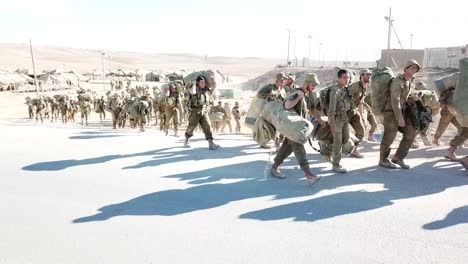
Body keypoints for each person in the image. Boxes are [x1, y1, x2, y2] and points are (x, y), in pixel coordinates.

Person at [270, 73, 323, 185]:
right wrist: (299, 96)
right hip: (292, 128)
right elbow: (287, 105)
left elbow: (313, 108)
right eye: (313, 84)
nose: (314, 87)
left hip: (299, 128)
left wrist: (319, 119)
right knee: (299, 150)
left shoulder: (310, 95)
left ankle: (274, 167)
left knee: (286, 148)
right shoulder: (296, 92)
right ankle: (309, 175)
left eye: (315, 85)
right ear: (307, 84)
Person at [379, 59, 420, 169]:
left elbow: (403, 97)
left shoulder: (409, 81)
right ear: (406, 68)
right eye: (412, 67)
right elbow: (395, 100)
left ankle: (398, 157)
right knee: (389, 137)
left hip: (402, 112)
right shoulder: (397, 81)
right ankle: (383, 160)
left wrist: (412, 97)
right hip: (391, 113)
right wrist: (399, 118)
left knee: (410, 133)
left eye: (415, 68)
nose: (414, 70)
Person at [327, 69, 353, 173]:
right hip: (336, 119)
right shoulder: (335, 90)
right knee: (338, 142)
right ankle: (336, 164)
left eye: (348, 77)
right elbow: (331, 110)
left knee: (345, 139)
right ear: (339, 78)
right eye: (344, 77)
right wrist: (332, 125)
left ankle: (326, 151)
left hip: (344, 118)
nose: (347, 80)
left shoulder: (344, 89)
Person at [184, 75, 220, 149]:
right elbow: (193, 92)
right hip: (195, 111)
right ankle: (186, 140)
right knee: (191, 126)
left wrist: (214, 85)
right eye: (202, 82)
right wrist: (194, 84)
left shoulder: (206, 89)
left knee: (207, 126)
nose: (203, 84)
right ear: (198, 83)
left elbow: (211, 93)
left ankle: (211, 143)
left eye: (204, 82)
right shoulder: (193, 88)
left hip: (204, 111)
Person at [257, 72, 288, 149]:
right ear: (277, 81)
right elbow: (259, 94)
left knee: (277, 127)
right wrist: (269, 94)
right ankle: (266, 143)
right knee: (267, 127)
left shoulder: (283, 90)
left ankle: (277, 143)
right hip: (268, 111)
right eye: (282, 80)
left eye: (284, 80)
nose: (283, 82)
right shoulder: (270, 87)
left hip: (277, 111)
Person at [346, 69, 372, 158]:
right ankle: (326, 147)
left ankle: (354, 150)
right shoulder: (355, 86)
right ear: (361, 76)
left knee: (361, 131)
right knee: (340, 132)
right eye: (367, 75)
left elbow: (361, 102)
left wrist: (362, 116)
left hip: (354, 111)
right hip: (345, 112)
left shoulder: (365, 86)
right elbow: (345, 98)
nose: (369, 76)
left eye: (370, 75)